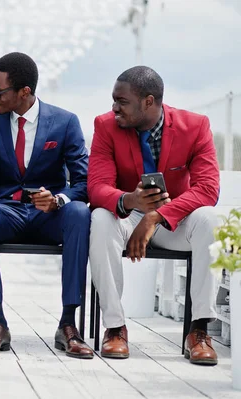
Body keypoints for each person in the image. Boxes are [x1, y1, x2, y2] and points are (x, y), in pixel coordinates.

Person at [88, 66, 220, 365]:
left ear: (148, 101)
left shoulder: (195, 126)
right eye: (113, 99)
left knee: (211, 219)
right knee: (99, 218)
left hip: (175, 221)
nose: (114, 107)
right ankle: (115, 327)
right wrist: (131, 201)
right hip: (128, 216)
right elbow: (97, 188)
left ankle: (198, 331)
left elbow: (208, 189)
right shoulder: (105, 125)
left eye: (122, 101)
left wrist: (156, 217)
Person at [0, 52, 93, 358]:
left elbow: (84, 182)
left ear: (24, 92)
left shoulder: (64, 123)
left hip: (50, 215)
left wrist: (59, 199)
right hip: (6, 211)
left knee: (79, 212)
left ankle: (68, 324)